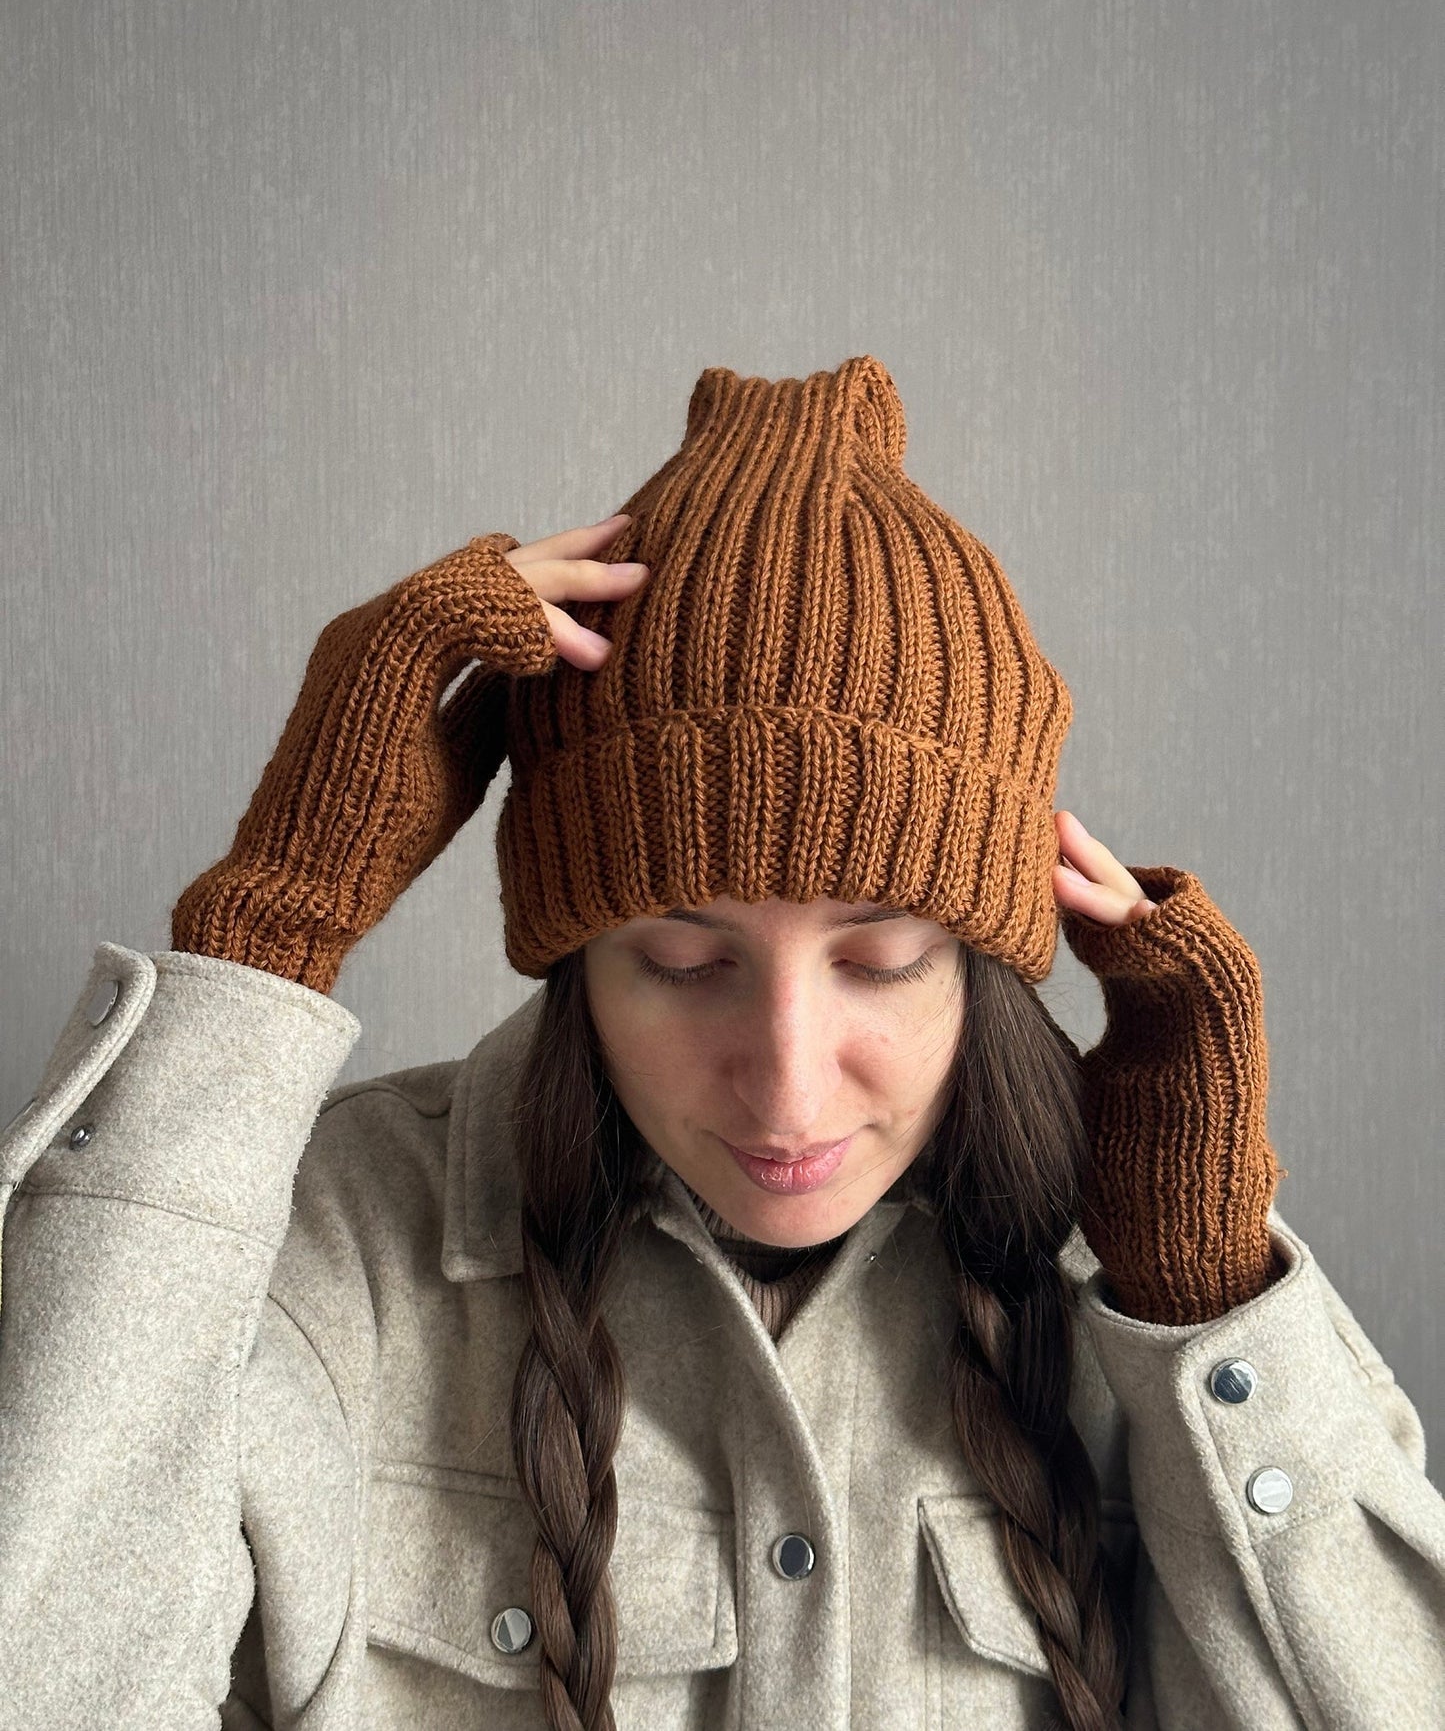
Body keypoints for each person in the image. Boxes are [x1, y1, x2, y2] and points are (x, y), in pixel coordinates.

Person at [0, 355, 1440, 1731]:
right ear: (578, 961)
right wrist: (265, 930)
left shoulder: (1124, 1294)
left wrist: (1202, 1304)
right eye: (684, 962)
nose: (787, 1080)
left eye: (880, 959)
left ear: (984, 963)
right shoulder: (332, 1251)